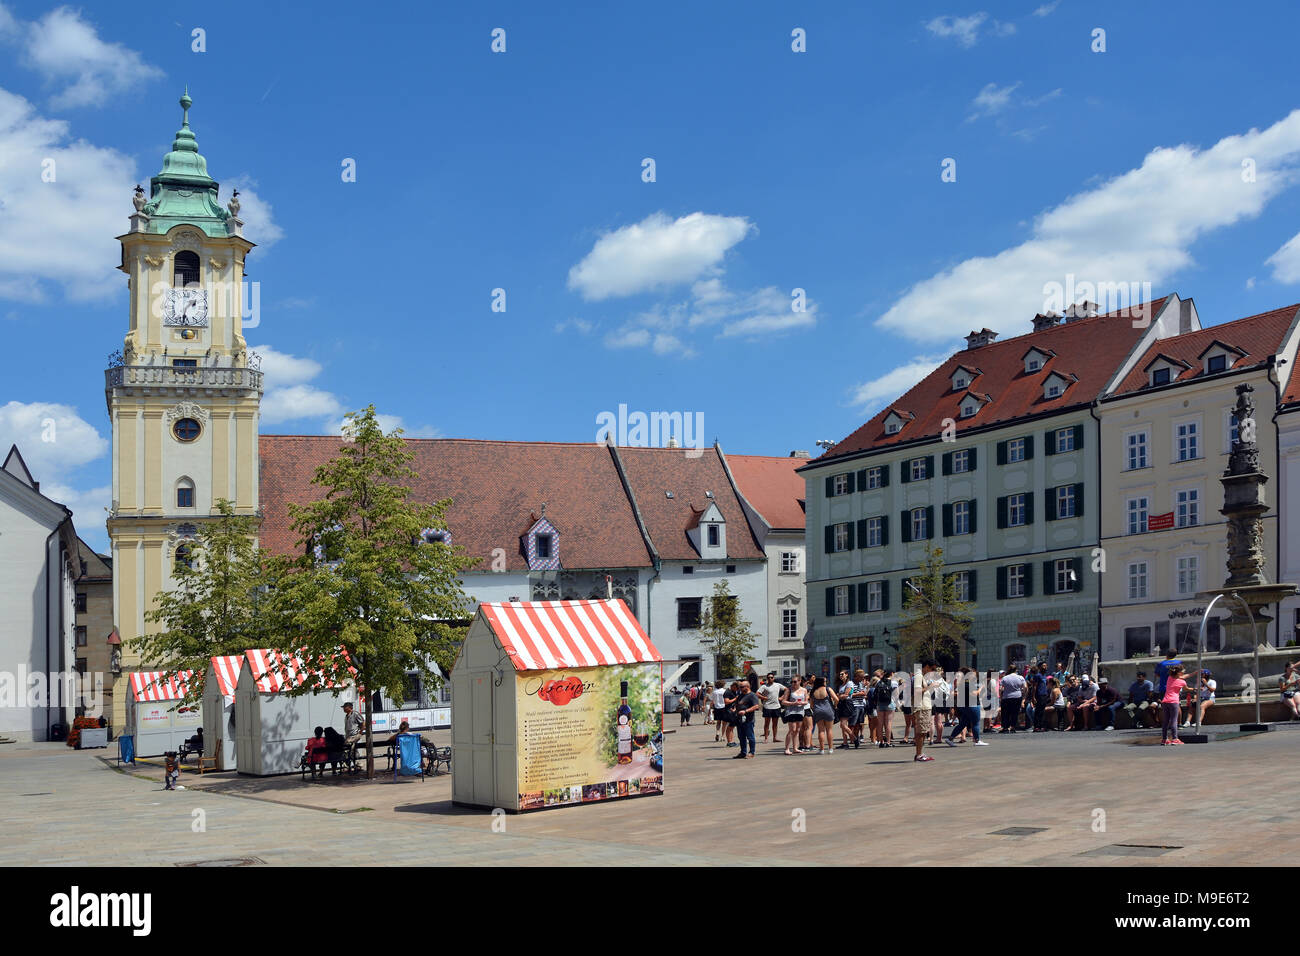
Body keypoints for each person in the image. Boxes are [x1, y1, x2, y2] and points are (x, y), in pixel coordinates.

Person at [946, 666, 986, 746]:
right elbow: (974, 694)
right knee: (975, 723)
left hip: (965, 705)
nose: (975, 676)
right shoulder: (967, 683)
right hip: (972, 705)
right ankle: (977, 740)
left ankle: (950, 739)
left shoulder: (963, 682)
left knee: (962, 724)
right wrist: (981, 688)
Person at [913, 662, 940, 762]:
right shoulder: (919, 676)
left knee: (924, 732)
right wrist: (930, 686)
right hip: (922, 707)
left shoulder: (922, 676)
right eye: (932, 669)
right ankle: (918, 754)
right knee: (921, 732)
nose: (933, 671)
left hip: (925, 706)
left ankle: (920, 753)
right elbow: (917, 691)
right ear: (927, 666)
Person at [732, 680, 762, 759]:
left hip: (748, 720)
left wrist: (745, 711)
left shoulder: (752, 695)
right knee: (741, 737)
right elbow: (737, 704)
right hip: (739, 720)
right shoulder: (740, 695)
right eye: (739, 687)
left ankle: (751, 752)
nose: (740, 688)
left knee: (750, 736)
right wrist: (735, 709)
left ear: (747, 687)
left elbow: (756, 706)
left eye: (741, 687)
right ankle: (743, 752)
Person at [779, 676, 809, 754]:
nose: (793, 683)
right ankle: (787, 749)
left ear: (799, 681)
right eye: (792, 682)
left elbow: (806, 701)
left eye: (795, 682)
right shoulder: (789, 690)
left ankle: (795, 748)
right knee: (792, 729)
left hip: (800, 711)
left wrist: (802, 703)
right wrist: (793, 703)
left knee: (797, 730)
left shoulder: (804, 690)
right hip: (790, 711)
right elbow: (783, 702)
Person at [809, 677, 839, 755]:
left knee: (821, 730)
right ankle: (830, 749)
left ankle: (821, 749)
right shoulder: (827, 689)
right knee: (829, 730)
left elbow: (811, 705)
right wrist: (835, 706)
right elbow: (836, 699)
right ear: (822, 682)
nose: (826, 682)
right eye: (825, 681)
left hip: (818, 711)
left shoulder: (813, 691)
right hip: (828, 710)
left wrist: (815, 709)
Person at [1161, 665, 1187, 745]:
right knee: (1174, 720)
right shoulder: (1182, 682)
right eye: (1182, 671)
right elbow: (1187, 689)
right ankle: (1175, 739)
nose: (1183, 673)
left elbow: (1184, 676)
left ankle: (1164, 739)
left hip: (1165, 701)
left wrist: (1194, 673)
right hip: (1174, 702)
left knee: (1165, 721)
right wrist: (1194, 689)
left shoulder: (1169, 678)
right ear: (1179, 673)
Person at [759, 673, 786, 743]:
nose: (770, 679)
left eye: (771, 677)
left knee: (775, 723)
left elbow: (787, 689)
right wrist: (764, 697)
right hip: (767, 707)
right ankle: (766, 738)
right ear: (767, 678)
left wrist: (782, 697)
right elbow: (757, 693)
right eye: (768, 677)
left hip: (776, 707)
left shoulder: (778, 685)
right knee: (767, 723)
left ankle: (775, 738)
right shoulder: (764, 686)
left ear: (773, 678)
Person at [999, 667, 1026, 733]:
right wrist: (1023, 695)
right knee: (1015, 712)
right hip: (1017, 696)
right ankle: (1013, 727)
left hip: (1006, 697)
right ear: (1016, 670)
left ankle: (1005, 727)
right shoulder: (1020, 677)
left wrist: (1001, 697)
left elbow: (1000, 689)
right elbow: (1025, 687)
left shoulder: (1004, 678)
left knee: (1006, 713)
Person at [836, 670, 857, 749]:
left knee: (843, 725)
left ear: (847, 675)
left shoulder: (850, 683)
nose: (840, 676)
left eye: (842, 674)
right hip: (841, 704)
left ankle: (854, 738)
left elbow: (846, 695)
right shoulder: (841, 685)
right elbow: (841, 695)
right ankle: (845, 743)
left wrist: (839, 695)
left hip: (847, 704)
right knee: (842, 725)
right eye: (840, 674)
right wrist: (840, 695)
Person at [875, 670, 897, 747]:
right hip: (890, 704)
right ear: (891, 673)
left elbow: (875, 693)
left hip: (880, 704)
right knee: (888, 723)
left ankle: (881, 742)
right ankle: (888, 742)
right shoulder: (894, 683)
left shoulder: (879, 682)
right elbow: (896, 694)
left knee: (880, 723)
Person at [1029, 662, 1051, 732]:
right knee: (1038, 711)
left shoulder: (1044, 676)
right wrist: (1033, 697)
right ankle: (1036, 726)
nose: (1045, 667)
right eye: (1043, 666)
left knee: (1042, 711)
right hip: (1039, 695)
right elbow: (1034, 687)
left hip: (1044, 695)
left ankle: (1041, 726)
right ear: (1039, 667)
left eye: (1046, 665)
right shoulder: (1037, 676)